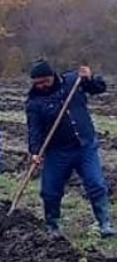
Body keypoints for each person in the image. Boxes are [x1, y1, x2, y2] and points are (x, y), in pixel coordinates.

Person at [26, 59, 114, 238]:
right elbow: (34, 129)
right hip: (57, 151)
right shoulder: (34, 102)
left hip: (84, 146)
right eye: (38, 83)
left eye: (45, 81)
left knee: (96, 183)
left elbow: (99, 88)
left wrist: (89, 79)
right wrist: (34, 151)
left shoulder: (73, 80)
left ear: (52, 76)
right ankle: (52, 226)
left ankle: (104, 224)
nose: (42, 86)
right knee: (50, 190)